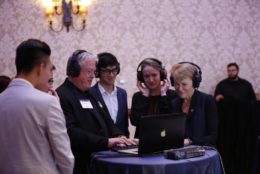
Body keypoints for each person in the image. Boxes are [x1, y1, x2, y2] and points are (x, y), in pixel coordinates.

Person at [0, 39, 74, 174]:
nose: (50, 75)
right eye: (50, 69)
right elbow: (65, 157)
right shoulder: (48, 102)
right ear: (40, 68)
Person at [56, 50, 136, 174]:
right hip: (79, 164)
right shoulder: (62, 95)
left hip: (99, 161)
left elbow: (108, 121)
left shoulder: (90, 93)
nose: (93, 76)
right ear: (74, 71)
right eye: (89, 72)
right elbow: (71, 131)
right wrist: (106, 142)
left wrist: (120, 137)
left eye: (94, 72)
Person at [169, 62, 218, 146]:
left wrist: (190, 141)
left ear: (195, 82)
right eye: (176, 84)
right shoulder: (174, 103)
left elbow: (213, 137)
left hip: (204, 153)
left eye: (184, 84)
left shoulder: (207, 100)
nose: (180, 89)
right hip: (180, 154)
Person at [130, 58, 176, 138]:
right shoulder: (138, 97)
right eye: (146, 76)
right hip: (142, 142)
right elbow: (135, 121)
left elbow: (169, 122)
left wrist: (163, 95)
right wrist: (144, 96)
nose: (151, 80)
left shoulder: (172, 95)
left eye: (154, 75)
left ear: (162, 75)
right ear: (141, 78)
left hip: (166, 141)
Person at [90, 52, 129, 137]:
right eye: (106, 71)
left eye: (114, 70)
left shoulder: (122, 93)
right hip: (100, 145)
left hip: (122, 145)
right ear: (97, 72)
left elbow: (125, 125)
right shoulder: (90, 93)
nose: (111, 75)